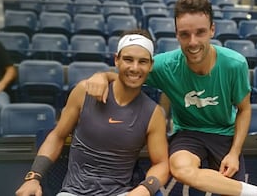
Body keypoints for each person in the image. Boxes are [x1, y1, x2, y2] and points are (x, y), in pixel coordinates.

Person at [84, 0, 257, 195]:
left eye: (200, 32)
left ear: (212, 30)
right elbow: (127, 73)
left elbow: (244, 109)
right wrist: (102, 76)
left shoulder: (234, 64)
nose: (193, 42)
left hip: (224, 133)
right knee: (179, 168)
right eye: (185, 34)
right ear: (177, 35)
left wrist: (234, 153)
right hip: (188, 132)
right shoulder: (165, 65)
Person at [15, 29, 169, 196]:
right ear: (116, 60)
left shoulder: (154, 114)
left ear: (151, 65)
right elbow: (57, 136)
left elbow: (161, 163)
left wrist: (145, 189)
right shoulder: (84, 91)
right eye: (128, 59)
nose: (134, 68)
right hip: (73, 192)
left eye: (143, 61)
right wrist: (33, 178)